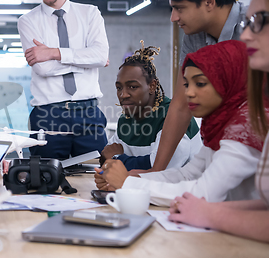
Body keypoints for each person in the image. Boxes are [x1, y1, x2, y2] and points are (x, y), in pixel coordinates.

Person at [96, 40, 265, 206]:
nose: (189, 93)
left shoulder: (246, 130)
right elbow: (186, 175)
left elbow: (203, 193)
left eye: (199, 83)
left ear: (228, 81)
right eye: (186, 84)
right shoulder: (220, 127)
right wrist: (129, 179)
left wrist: (127, 182)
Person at [168, 0, 269, 243]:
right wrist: (208, 211)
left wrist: (211, 214)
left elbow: (202, 190)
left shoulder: (248, 124)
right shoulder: (226, 126)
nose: (245, 36)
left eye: (259, 21)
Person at [151, 0, 247, 173]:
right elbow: (180, 104)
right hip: (225, 147)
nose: (173, 18)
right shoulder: (194, 38)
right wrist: (155, 173)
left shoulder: (255, 29)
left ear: (208, 1)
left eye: (179, 8)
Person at [17, 0, 110, 159]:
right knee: (45, 181)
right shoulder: (27, 21)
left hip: (88, 112)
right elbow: (43, 68)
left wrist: (53, 53)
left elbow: (100, 55)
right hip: (48, 115)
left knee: (98, 177)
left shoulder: (90, 13)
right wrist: (87, 61)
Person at [99, 41, 201, 171]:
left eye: (132, 87)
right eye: (119, 88)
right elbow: (105, 157)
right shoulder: (126, 120)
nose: (123, 94)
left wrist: (117, 158)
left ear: (152, 86)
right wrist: (114, 159)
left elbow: (159, 168)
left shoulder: (173, 115)